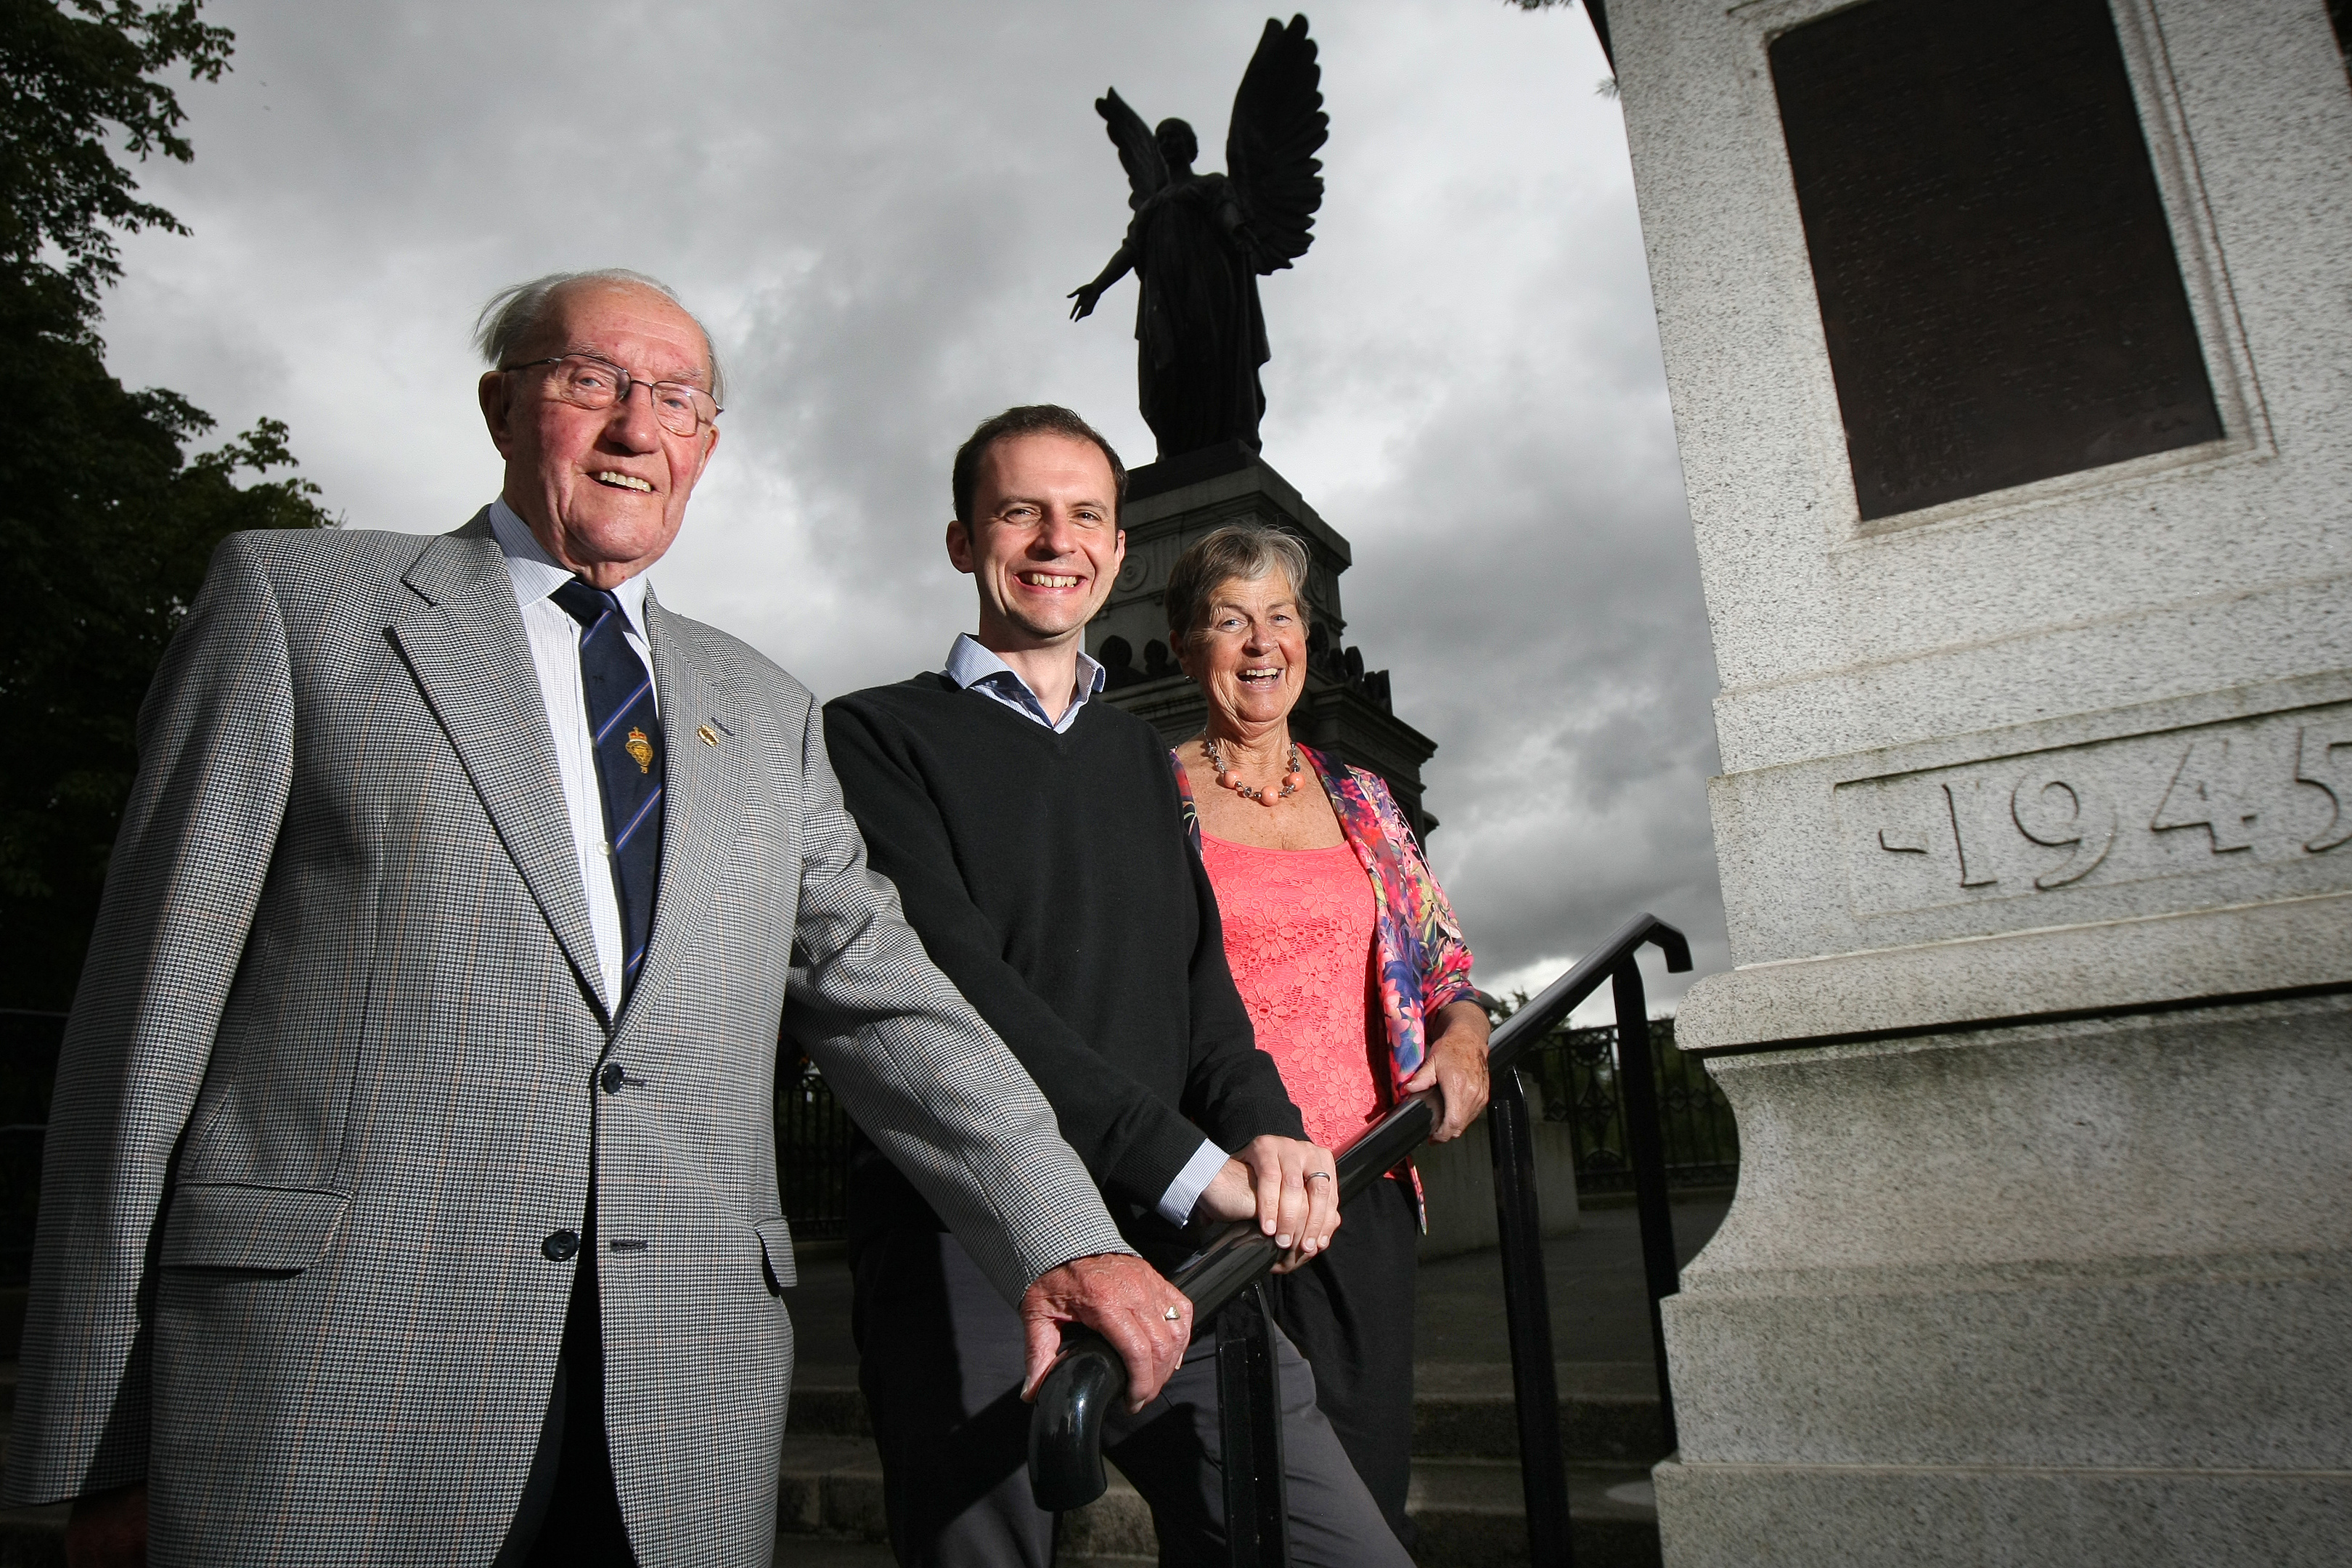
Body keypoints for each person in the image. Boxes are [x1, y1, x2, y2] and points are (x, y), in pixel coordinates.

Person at [1, 273, 1191, 1568]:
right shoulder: (299, 609)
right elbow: (143, 1026)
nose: (637, 425)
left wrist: (1065, 1229)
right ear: (503, 405)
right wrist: (98, 1440)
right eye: (593, 382)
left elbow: (886, 992)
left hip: (678, 1409)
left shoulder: (770, 708)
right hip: (330, 1392)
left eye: (676, 399)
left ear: (706, 448)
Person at [822, 404, 1411, 1568]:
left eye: (1086, 514)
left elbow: (1203, 993)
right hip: (972, 1242)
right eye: (1019, 511)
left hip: (1179, 1252)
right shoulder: (872, 739)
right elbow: (964, 999)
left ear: (1117, 549)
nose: (1056, 539)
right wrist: (1199, 1172)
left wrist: (1269, 1131)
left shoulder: (1140, 754)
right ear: (961, 541)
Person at [1164, 522, 1491, 1545]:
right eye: (1230, 620)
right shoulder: (1147, 793)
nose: (1261, 644)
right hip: (1216, 1198)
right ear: (1185, 647)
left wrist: (1468, 1036)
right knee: (1227, 1509)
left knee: (1363, 1487)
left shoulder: (1363, 800)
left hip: (1363, 1189)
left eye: (1281, 617)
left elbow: (1445, 966)